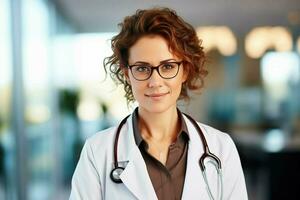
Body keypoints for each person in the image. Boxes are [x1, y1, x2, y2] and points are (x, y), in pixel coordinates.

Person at [70, 7, 248, 200]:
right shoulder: (97, 152)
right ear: (127, 74)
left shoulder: (221, 148)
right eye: (142, 68)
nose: (155, 81)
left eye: (168, 66)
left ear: (185, 70)